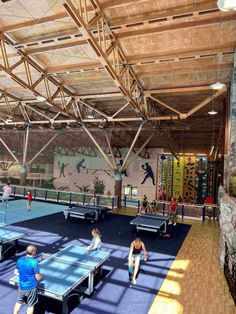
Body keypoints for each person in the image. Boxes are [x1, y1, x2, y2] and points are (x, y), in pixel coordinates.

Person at [13, 245, 42, 314]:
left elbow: (15, 272)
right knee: (30, 305)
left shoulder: (20, 259)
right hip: (31, 287)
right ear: (33, 252)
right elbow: (37, 277)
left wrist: (24, 275)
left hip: (21, 286)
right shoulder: (34, 262)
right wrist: (42, 276)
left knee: (19, 302)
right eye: (35, 251)